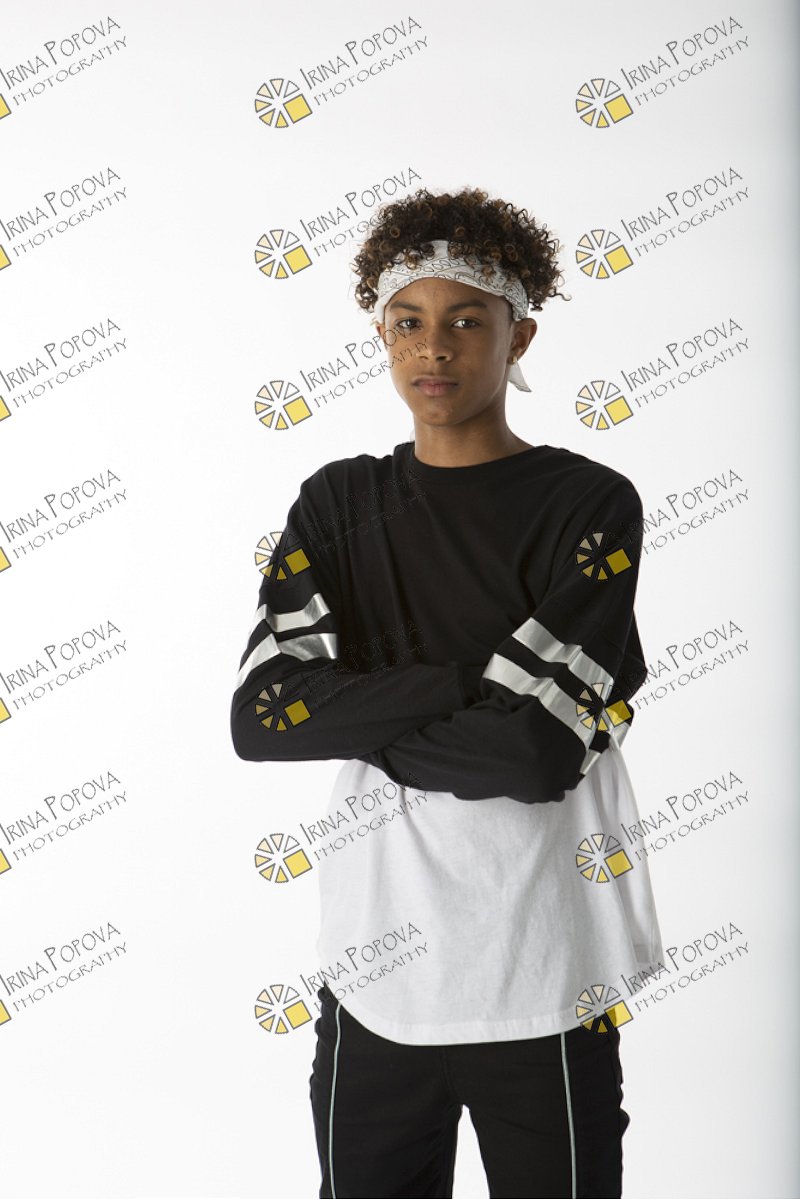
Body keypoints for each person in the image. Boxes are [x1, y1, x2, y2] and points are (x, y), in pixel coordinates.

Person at [230, 186, 665, 1198]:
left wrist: (361, 707)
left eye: (467, 320)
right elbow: (264, 717)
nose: (434, 348)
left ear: (520, 336)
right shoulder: (339, 502)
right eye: (408, 322)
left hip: (550, 969)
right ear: (382, 335)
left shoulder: (588, 503)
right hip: (375, 977)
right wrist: (471, 683)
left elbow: (535, 756)